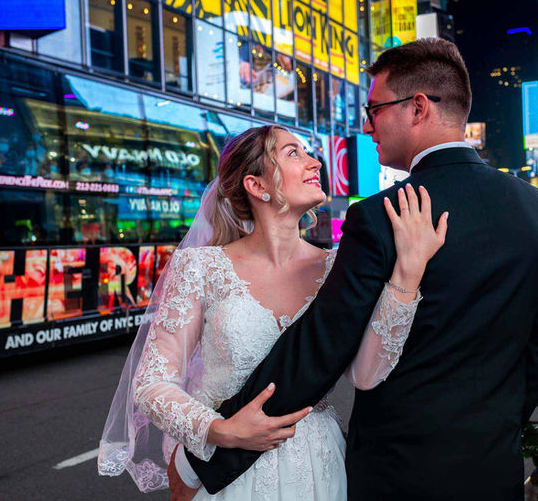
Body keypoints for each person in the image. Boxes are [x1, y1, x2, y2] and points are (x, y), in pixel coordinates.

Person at [174, 38, 538, 500]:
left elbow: (318, 350)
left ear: (417, 107)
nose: (366, 125)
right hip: (492, 468)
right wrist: (495, 426)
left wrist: (205, 457)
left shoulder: (382, 215)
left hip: (397, 473)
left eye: (375, 109)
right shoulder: (536, 208)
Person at [98, 124, 448, 500]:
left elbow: (366, 374)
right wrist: (221, 430)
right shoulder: (200, 268)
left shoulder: (337, 268)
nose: (315, 162)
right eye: (293, 153)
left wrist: (409, 272)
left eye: (308, 152)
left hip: (319, 465)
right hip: (228, 471)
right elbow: (152, 383)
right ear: (257, 186)